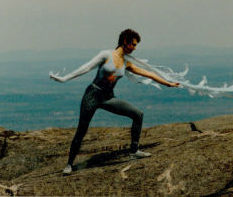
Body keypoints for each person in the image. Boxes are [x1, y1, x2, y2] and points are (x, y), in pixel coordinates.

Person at [49, 29, 180, 175]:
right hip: (92, 95)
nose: (134, 48)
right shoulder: (106, 55)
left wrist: (167, 83)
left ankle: (134, 151)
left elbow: (147, 73)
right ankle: (69, 164)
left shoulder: (126, 62)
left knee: (138, 114)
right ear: (125, 41)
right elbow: (86, 67)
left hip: (108, 97)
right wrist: (64, 79)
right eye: (133, 44)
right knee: (82, 130)